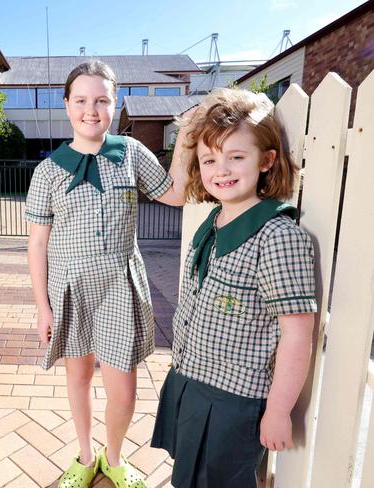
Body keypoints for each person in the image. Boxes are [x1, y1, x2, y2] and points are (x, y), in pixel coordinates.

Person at [25, 60, 187, 488]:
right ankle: (84, 454)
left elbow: (175, 193)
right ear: (67, 105)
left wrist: (188, 140)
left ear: (115, 104)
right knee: (78, 376)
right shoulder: (47, 170)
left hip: (119, 288)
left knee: (125, 388)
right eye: (81, 100)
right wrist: (43, 307)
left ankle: (114, 458)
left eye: (101, 100)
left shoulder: (132, 153)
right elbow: (37, 243)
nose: (91, 110)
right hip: (70, 291)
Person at [150, 88, 317, 487]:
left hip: (234, 400)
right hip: (190, 380)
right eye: (209, 159)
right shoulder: (212, 221)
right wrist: (193, 128)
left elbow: (297, 333)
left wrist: (278, 411)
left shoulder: (277, 236)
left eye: (236, 157)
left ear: (267, 160)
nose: (220, 169)